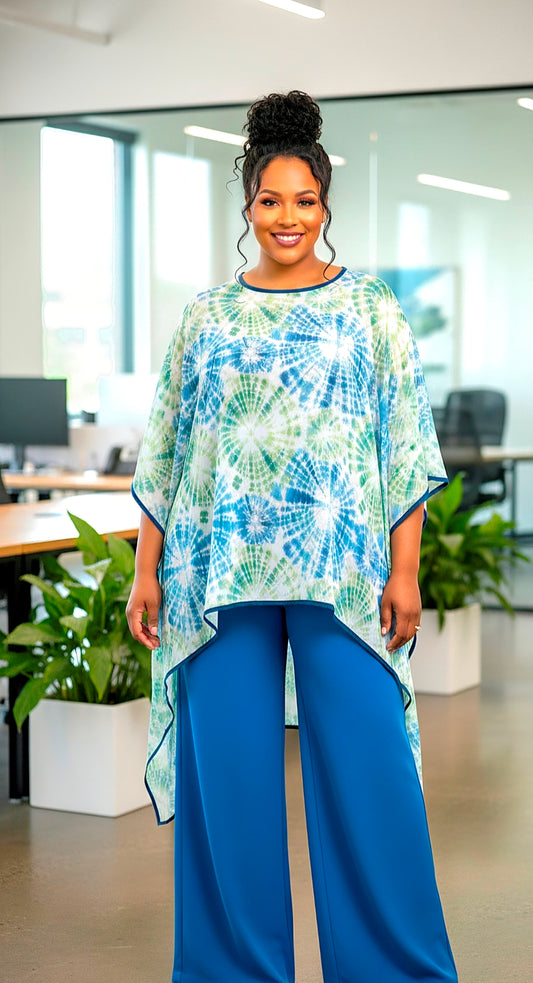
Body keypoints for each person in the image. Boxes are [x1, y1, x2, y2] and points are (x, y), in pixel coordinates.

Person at [127, 91, 458, 983]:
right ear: (246, 208)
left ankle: (394, 969)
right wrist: (145, 568)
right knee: (228, 791)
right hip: (216, 574)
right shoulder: (206, 316)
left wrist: (405, 571)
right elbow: (168, 443)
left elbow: (402, 440)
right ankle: (231, 969)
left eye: (303, 201)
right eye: (269, 201)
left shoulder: (371, 310)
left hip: (344, 575)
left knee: (369, 782)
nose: (286, 218)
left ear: (325, 205)